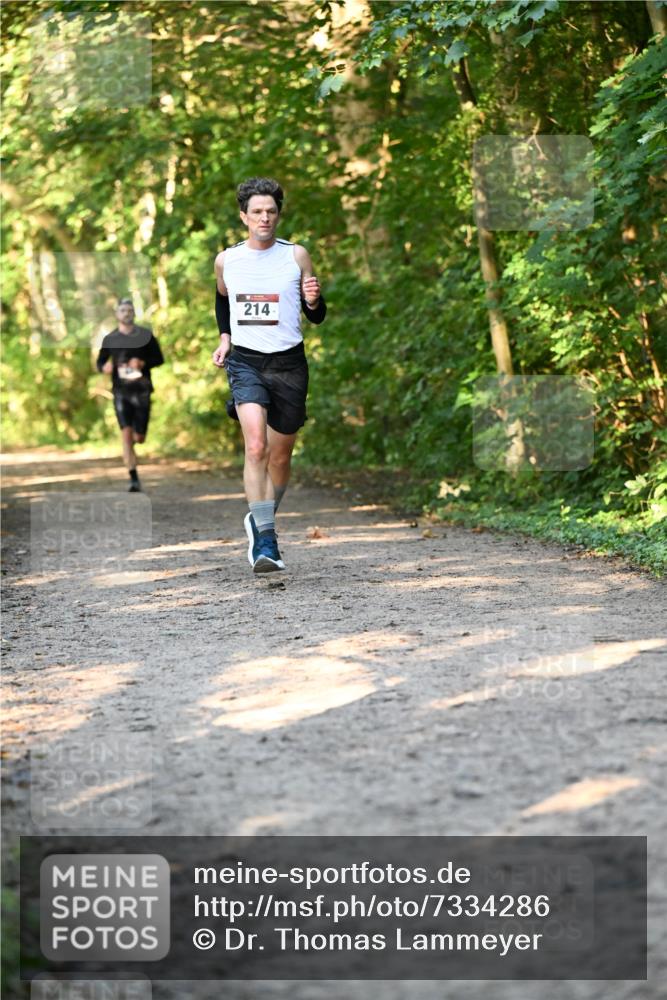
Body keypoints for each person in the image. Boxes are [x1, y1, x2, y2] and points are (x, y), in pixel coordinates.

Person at [212, 177, 327, 573]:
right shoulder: (227, 260)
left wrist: (313, 300)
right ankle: (265, 540)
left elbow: (316, 314)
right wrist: (225, 338)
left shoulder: (296, 256)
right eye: (257, 212)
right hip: (245, 362)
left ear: (279, 215)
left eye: (271, 211)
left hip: (290, 362)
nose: (265, 218)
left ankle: (260, 516)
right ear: (244, 216)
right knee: (256, 447)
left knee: (280, 456)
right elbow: (222, 300)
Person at [96, 298, 164, 492]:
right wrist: (105, 367)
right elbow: (100, 362)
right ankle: (133, 478)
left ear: (133, 313)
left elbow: (159, 358)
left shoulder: (145, 335)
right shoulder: (110, 338)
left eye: (129, 310)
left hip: (142, 390)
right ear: (117, 314)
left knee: (139, 437)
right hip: (121, 392)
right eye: (122, 310)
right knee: (126, 435)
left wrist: (142, 363)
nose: (126, 313)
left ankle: (135, 441)